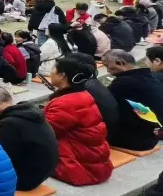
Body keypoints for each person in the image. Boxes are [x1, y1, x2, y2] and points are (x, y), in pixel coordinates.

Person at [0, 84, 59, 191]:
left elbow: (0, 156)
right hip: (44, 172)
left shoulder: (10, 123)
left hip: (25, 179)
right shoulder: (30, 111)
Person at [44, 56, 113, 186]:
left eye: (53, 68)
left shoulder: (65, 103)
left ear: (62, 75)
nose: (50, 72)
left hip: (80, 168)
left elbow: (45, 132)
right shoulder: (83, 94)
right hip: (94, 161)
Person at [102, 48, 163, 152]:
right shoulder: (150, 76)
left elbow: (103, 102)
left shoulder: (123, 84)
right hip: (153, 133)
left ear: (120, 63)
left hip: (137, 139)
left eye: (107, 66)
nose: (107, 70)